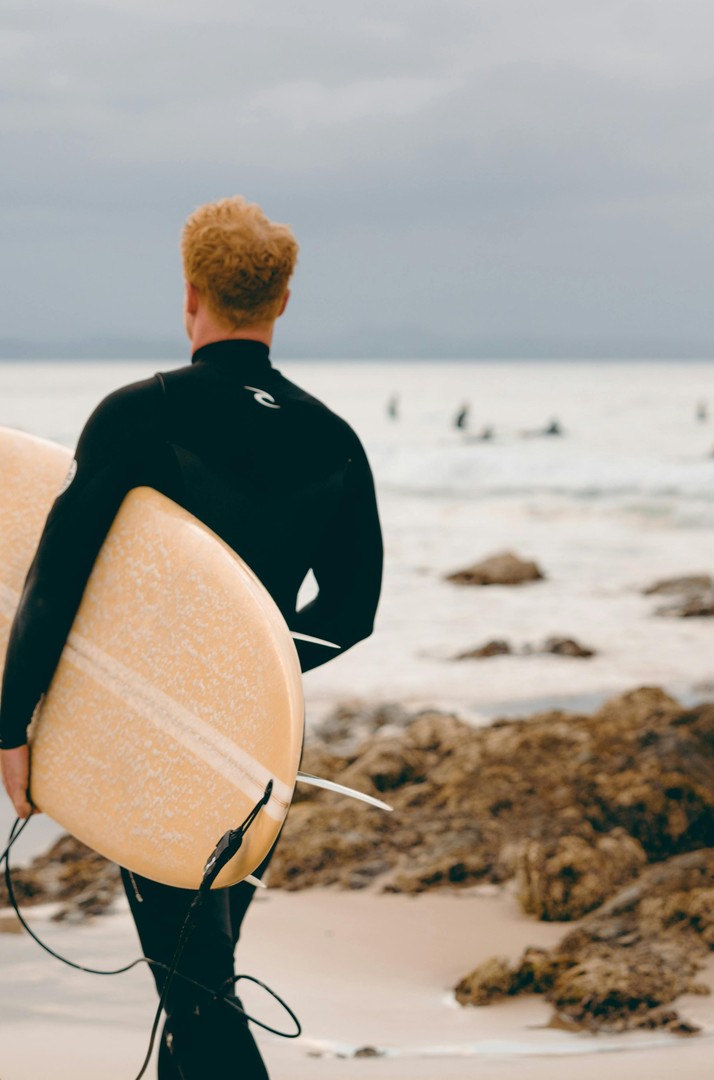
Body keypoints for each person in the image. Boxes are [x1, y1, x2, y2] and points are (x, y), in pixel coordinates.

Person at [0, 196, 383, 1078]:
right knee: (198, 973)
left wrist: (14, 724)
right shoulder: (335, 439)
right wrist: (253, 677)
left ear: (190, 294)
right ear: (283, 302)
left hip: (156, 741)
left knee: (197, 984)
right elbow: (352, 609)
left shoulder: (142, 414)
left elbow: (53, 580)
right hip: (257, 749)